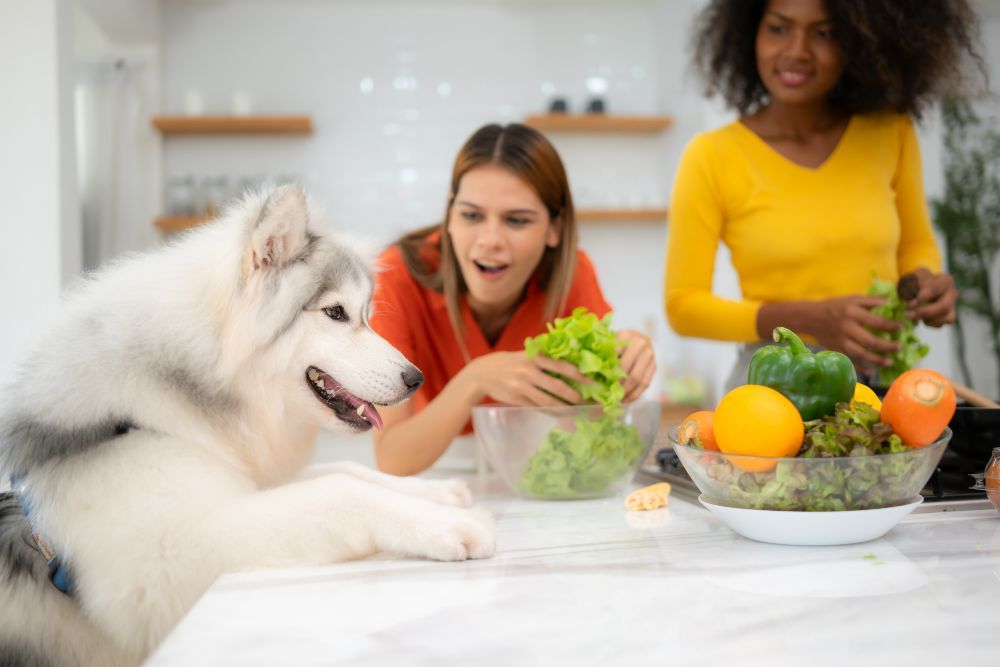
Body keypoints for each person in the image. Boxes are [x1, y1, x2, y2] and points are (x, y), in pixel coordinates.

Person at [665, 0, 984, 389]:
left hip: (882, 384)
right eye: (779, 28)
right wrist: (806, 320)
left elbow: (916, 244)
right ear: (750, 32)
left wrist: (924, 281)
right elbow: (683, 307)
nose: (797, 50)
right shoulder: (711, 156)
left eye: (824, 33)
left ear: (859, 41)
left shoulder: (891, 132)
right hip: (773, 388)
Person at [370, 123, 656, 475]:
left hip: (534, 462)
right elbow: (392, 458)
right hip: (434, 464)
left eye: (517, 220)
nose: (490, 240)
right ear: (449, 216)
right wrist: (475, 379)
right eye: (471, 215)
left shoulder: (573, 273)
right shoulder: (395, 276)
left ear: (554, 228)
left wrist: (625, 360)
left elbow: (595, 418)